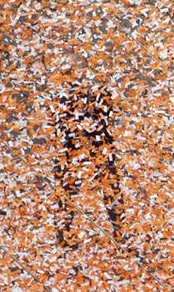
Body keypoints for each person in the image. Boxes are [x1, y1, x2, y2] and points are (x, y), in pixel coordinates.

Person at [54, 74, 123, 247]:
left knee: (109, 184)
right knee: (69, 185)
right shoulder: (69, 87)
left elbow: (112, 112)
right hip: (74, 139)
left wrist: (99, 123)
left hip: (99, 139)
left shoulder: (101, 86)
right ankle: (64, 234)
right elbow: (59, 117)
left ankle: (120, 233)